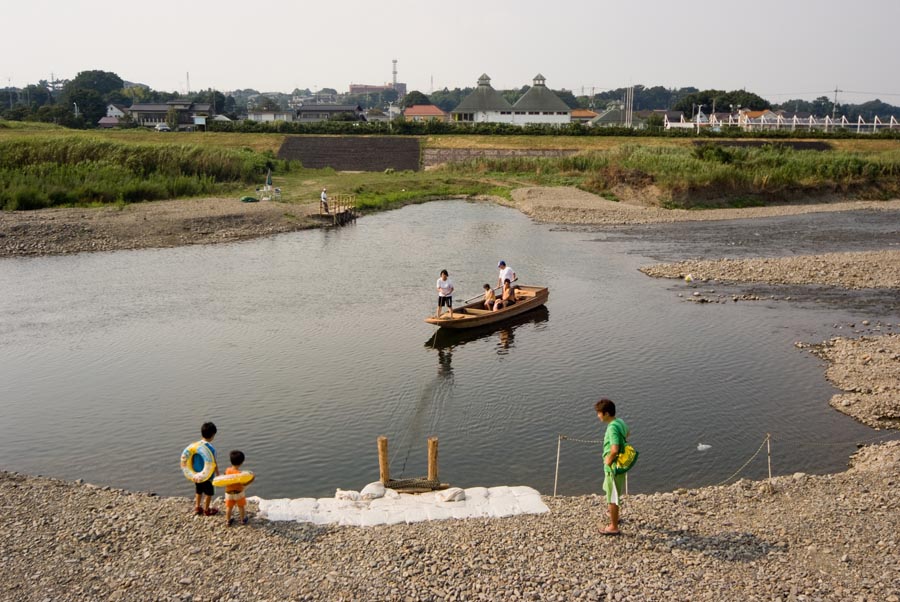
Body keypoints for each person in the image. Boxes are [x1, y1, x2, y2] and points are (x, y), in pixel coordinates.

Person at [596, 398, 630, 535]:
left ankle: (613, 527)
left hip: (613, 468)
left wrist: (608, 461)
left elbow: (614, 449)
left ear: (607, 414)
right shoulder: (619, 421)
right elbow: (628, 433)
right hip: (620, 466)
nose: (598, 416)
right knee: (613, 492)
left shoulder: (612, 428)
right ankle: (614, 515)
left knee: (612, 496)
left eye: (599, 413)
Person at [191, 421, 220, 516]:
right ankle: (207, 510)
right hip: (207, 476)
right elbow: (214, 463)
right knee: (209, 493)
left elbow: (190, 458)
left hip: (196, 474)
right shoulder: (211, 448)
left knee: (198, 490)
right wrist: (218, 474)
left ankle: (197, 507)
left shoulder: (195, 446)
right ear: (212, 435)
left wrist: (191, 471)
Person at [224, 450, 255, 527]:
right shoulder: (239, 474)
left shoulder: (227, 470)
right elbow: (244, 483)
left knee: (229, 507)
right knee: (241, 507)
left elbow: (224, 478)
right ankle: (243, 520)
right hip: (238, 493)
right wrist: (252, 480)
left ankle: (228, 521)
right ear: (241, 462)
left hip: (228, 493)